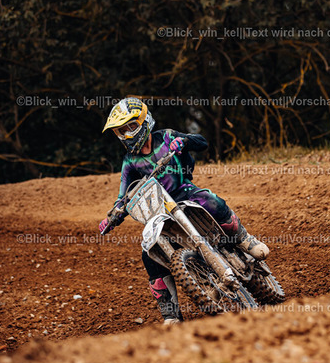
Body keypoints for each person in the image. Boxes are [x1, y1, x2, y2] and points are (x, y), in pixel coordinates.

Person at [99, 96, 269, 325]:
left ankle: (244, 239)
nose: (127, 135)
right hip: (159, 212)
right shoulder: (129, 162)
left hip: (183, 192)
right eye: (121, 131)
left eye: (130, 127)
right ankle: (171, 314)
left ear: (143, 122)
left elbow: (201, 142)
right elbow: (124, 195)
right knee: (149, 255)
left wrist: (184, 142)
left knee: (210, 201)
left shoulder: (166, 137)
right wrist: (113, 215)